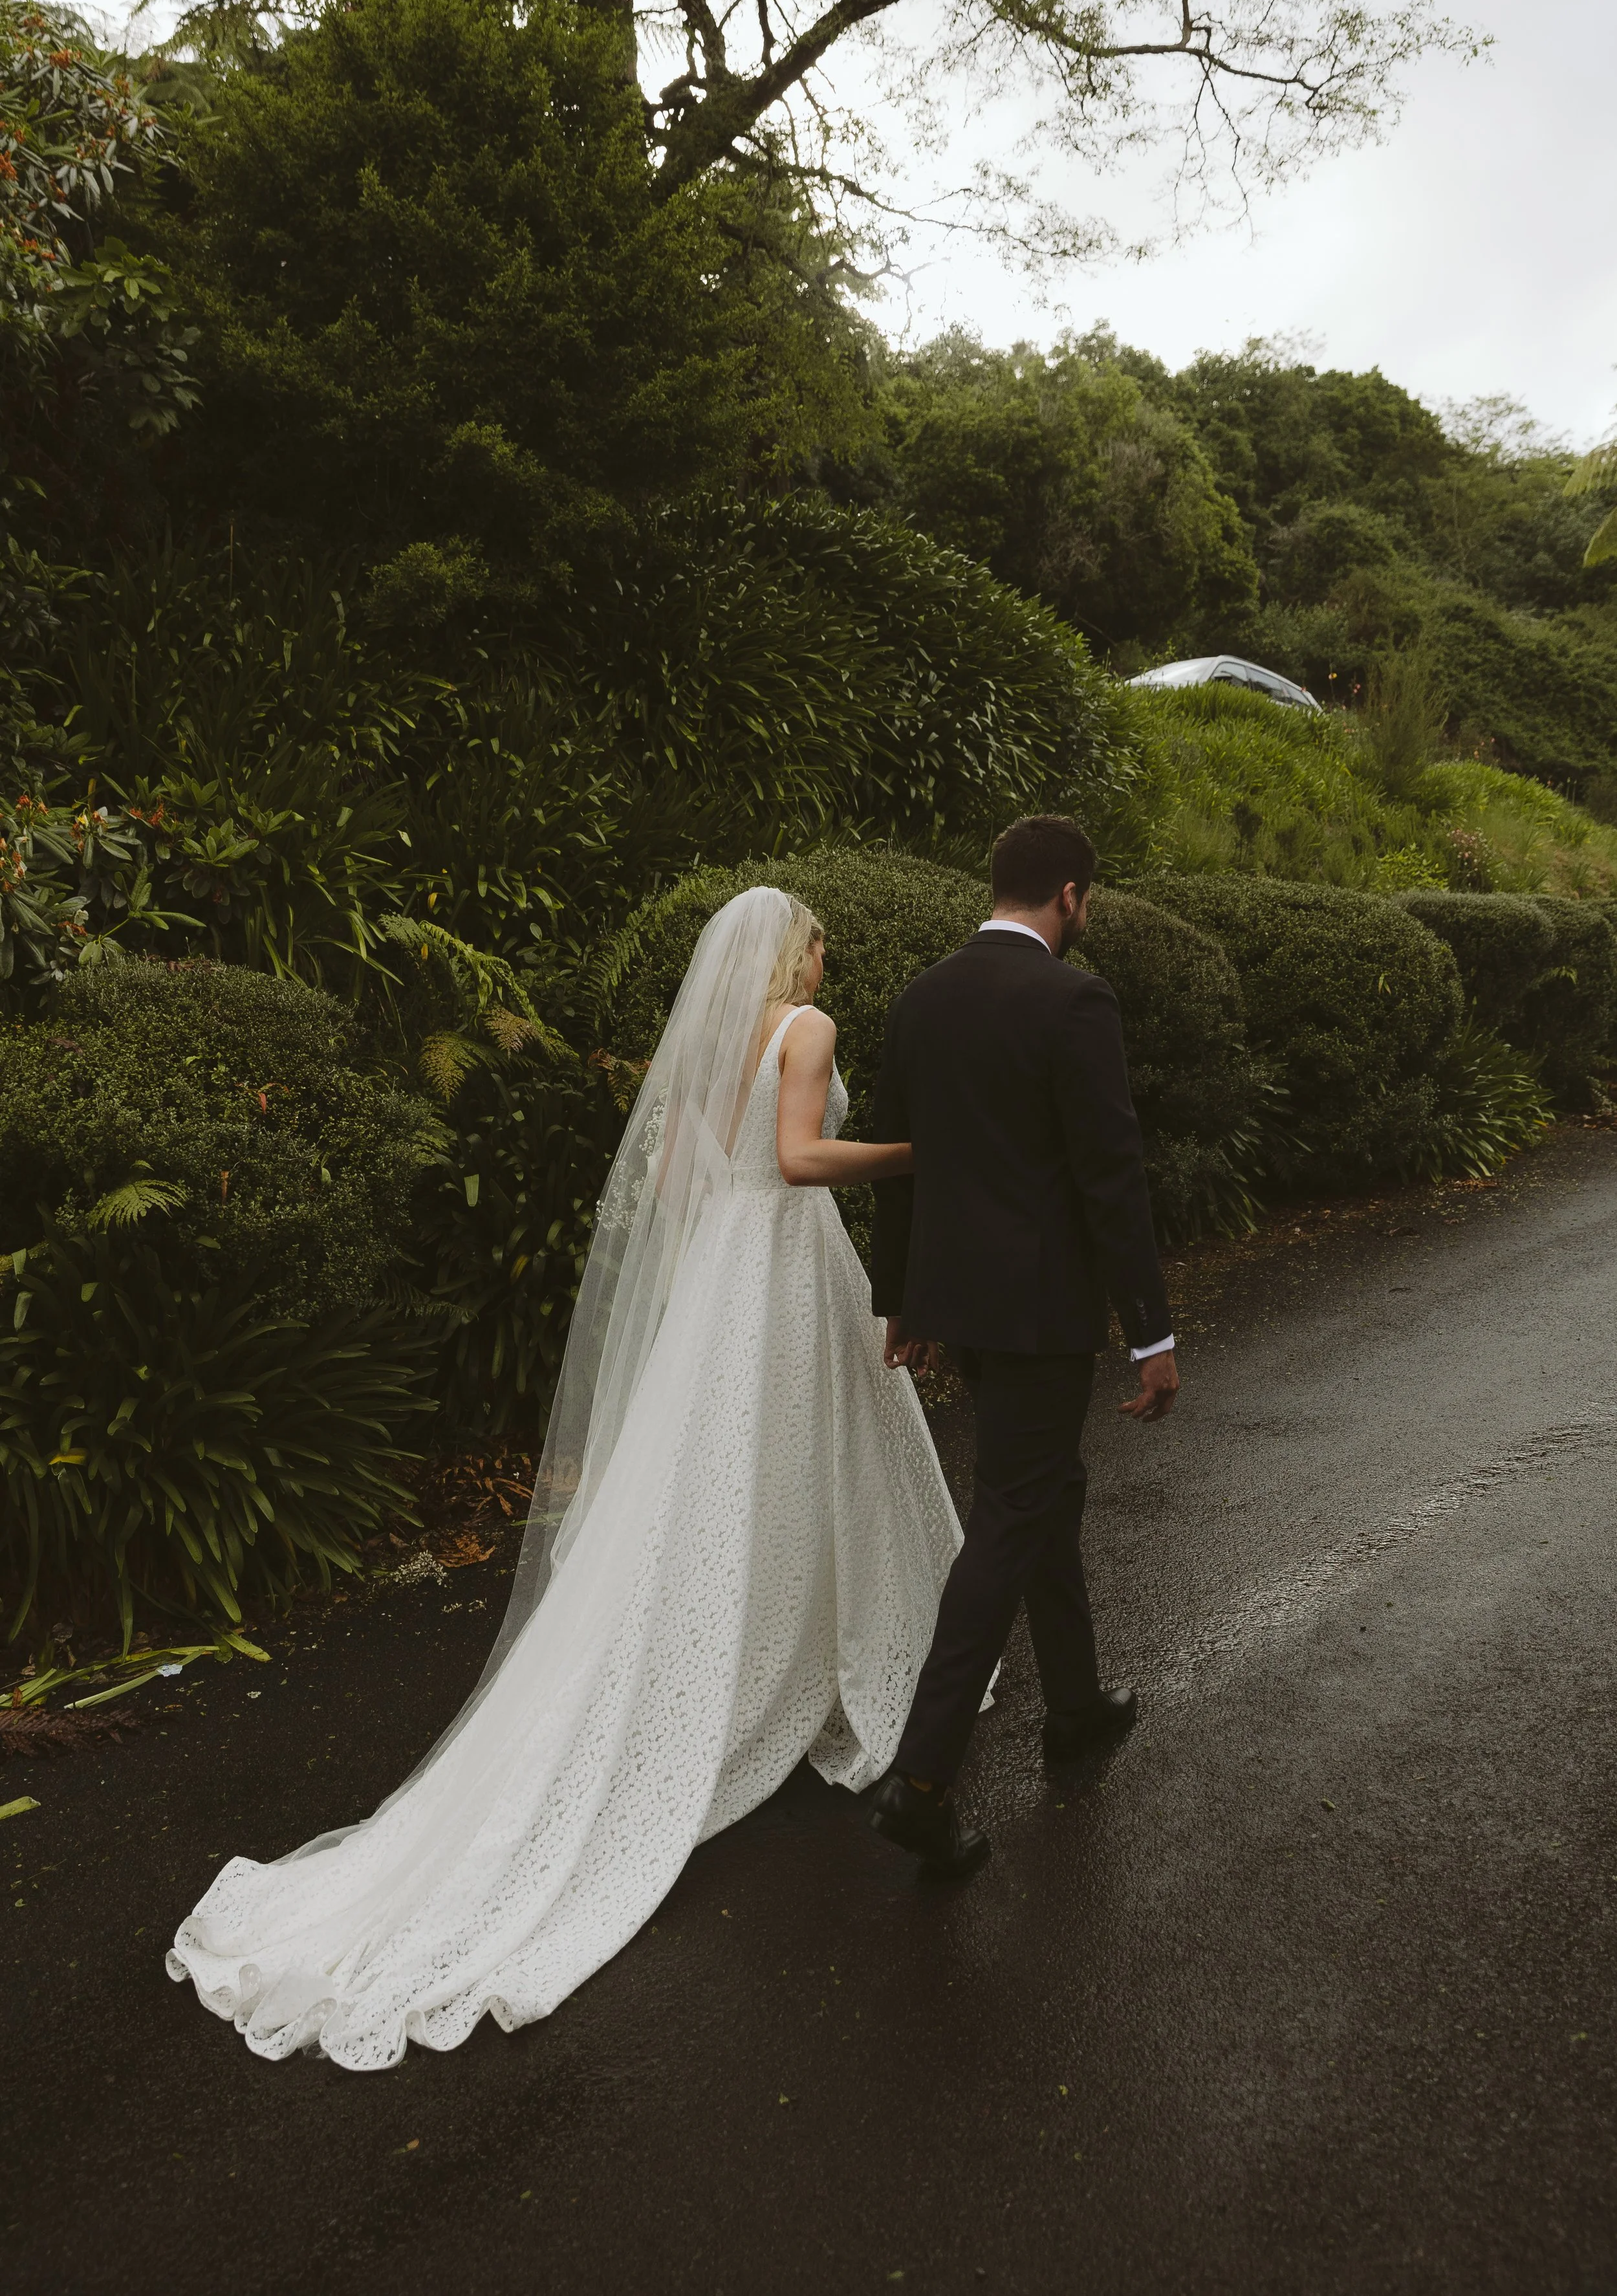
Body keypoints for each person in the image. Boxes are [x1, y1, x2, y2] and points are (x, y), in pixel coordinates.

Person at [168, 887, 963, 2068]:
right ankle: (827, 1659)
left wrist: (705, 1295)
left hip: (724, 1278)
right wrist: (916, 1152)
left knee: (716, 1495)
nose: (824, 952)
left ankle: (775, 1650)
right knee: (808, 1471)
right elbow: (799, 1160)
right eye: (817, 936)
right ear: (793, 949)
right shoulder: (806, 1029)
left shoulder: (704, 1043)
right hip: (789, 1266)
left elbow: (684, 1188)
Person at [865, 815, 1179, 1879]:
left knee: (1047, 1490)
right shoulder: (1074, 1000)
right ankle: (921, 1781)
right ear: (1072, 896)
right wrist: (1153, 1332)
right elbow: (1111, 1175)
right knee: (1007, 1519)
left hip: (961, 1303)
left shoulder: (922, 997)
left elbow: (910, 1161)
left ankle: (1078, 1708)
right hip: (1044, 1315)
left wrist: (900, 1302)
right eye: (1087, 899)